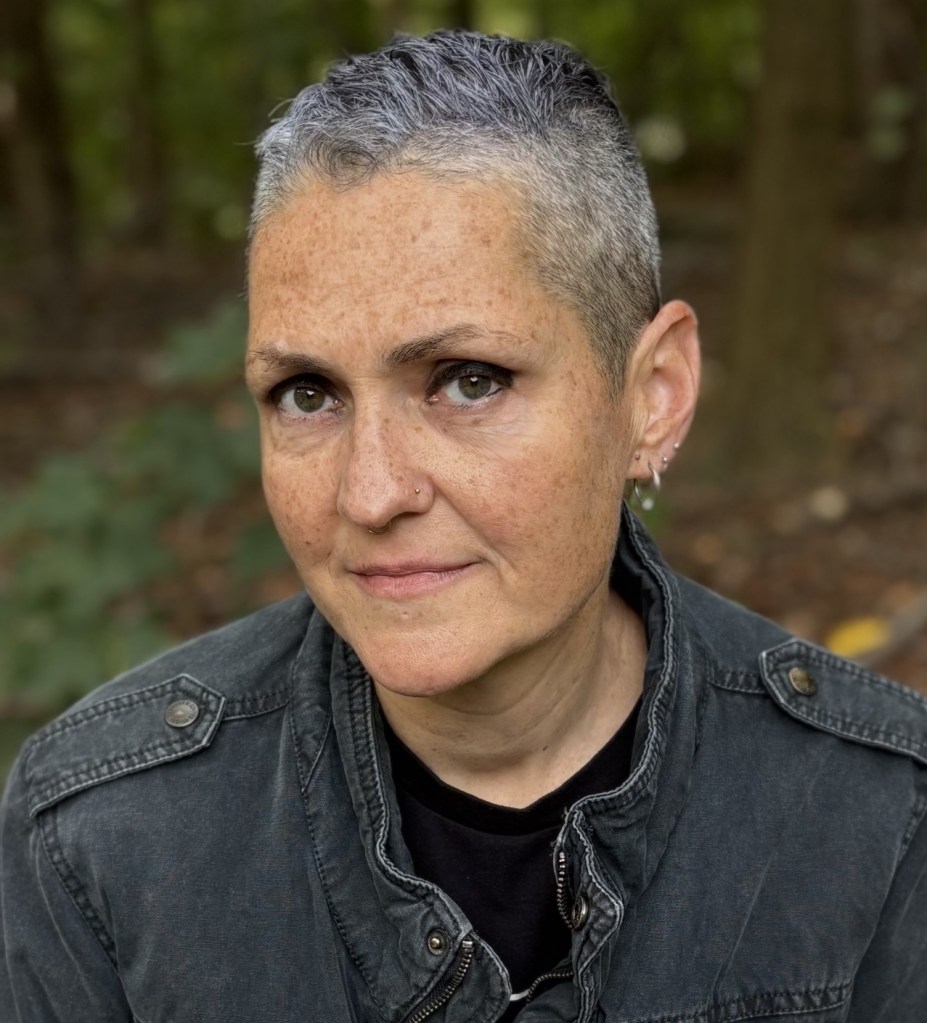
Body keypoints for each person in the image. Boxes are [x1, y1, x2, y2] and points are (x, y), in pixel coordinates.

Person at [2, 29, 926, 1023]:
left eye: (469, 381)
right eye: (307, 393)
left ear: (651, 396)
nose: (371, 493)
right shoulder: (102, 834)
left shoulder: (882, 818)